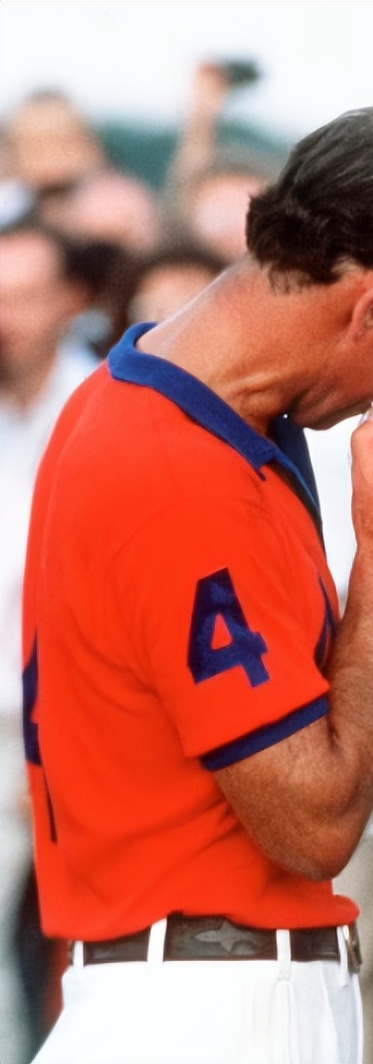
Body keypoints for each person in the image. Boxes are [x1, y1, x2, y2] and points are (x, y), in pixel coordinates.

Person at [21, 104, 373, 1064]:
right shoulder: (178, 473)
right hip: (211, 1008)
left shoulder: (158, 398)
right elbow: (315, 821)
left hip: (191, 988)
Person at [0, 219, 101, 1064]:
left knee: (94, 948)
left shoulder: (104, 406)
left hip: (88, 725)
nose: (6, 318)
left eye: (24, 297)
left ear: (71, 301)